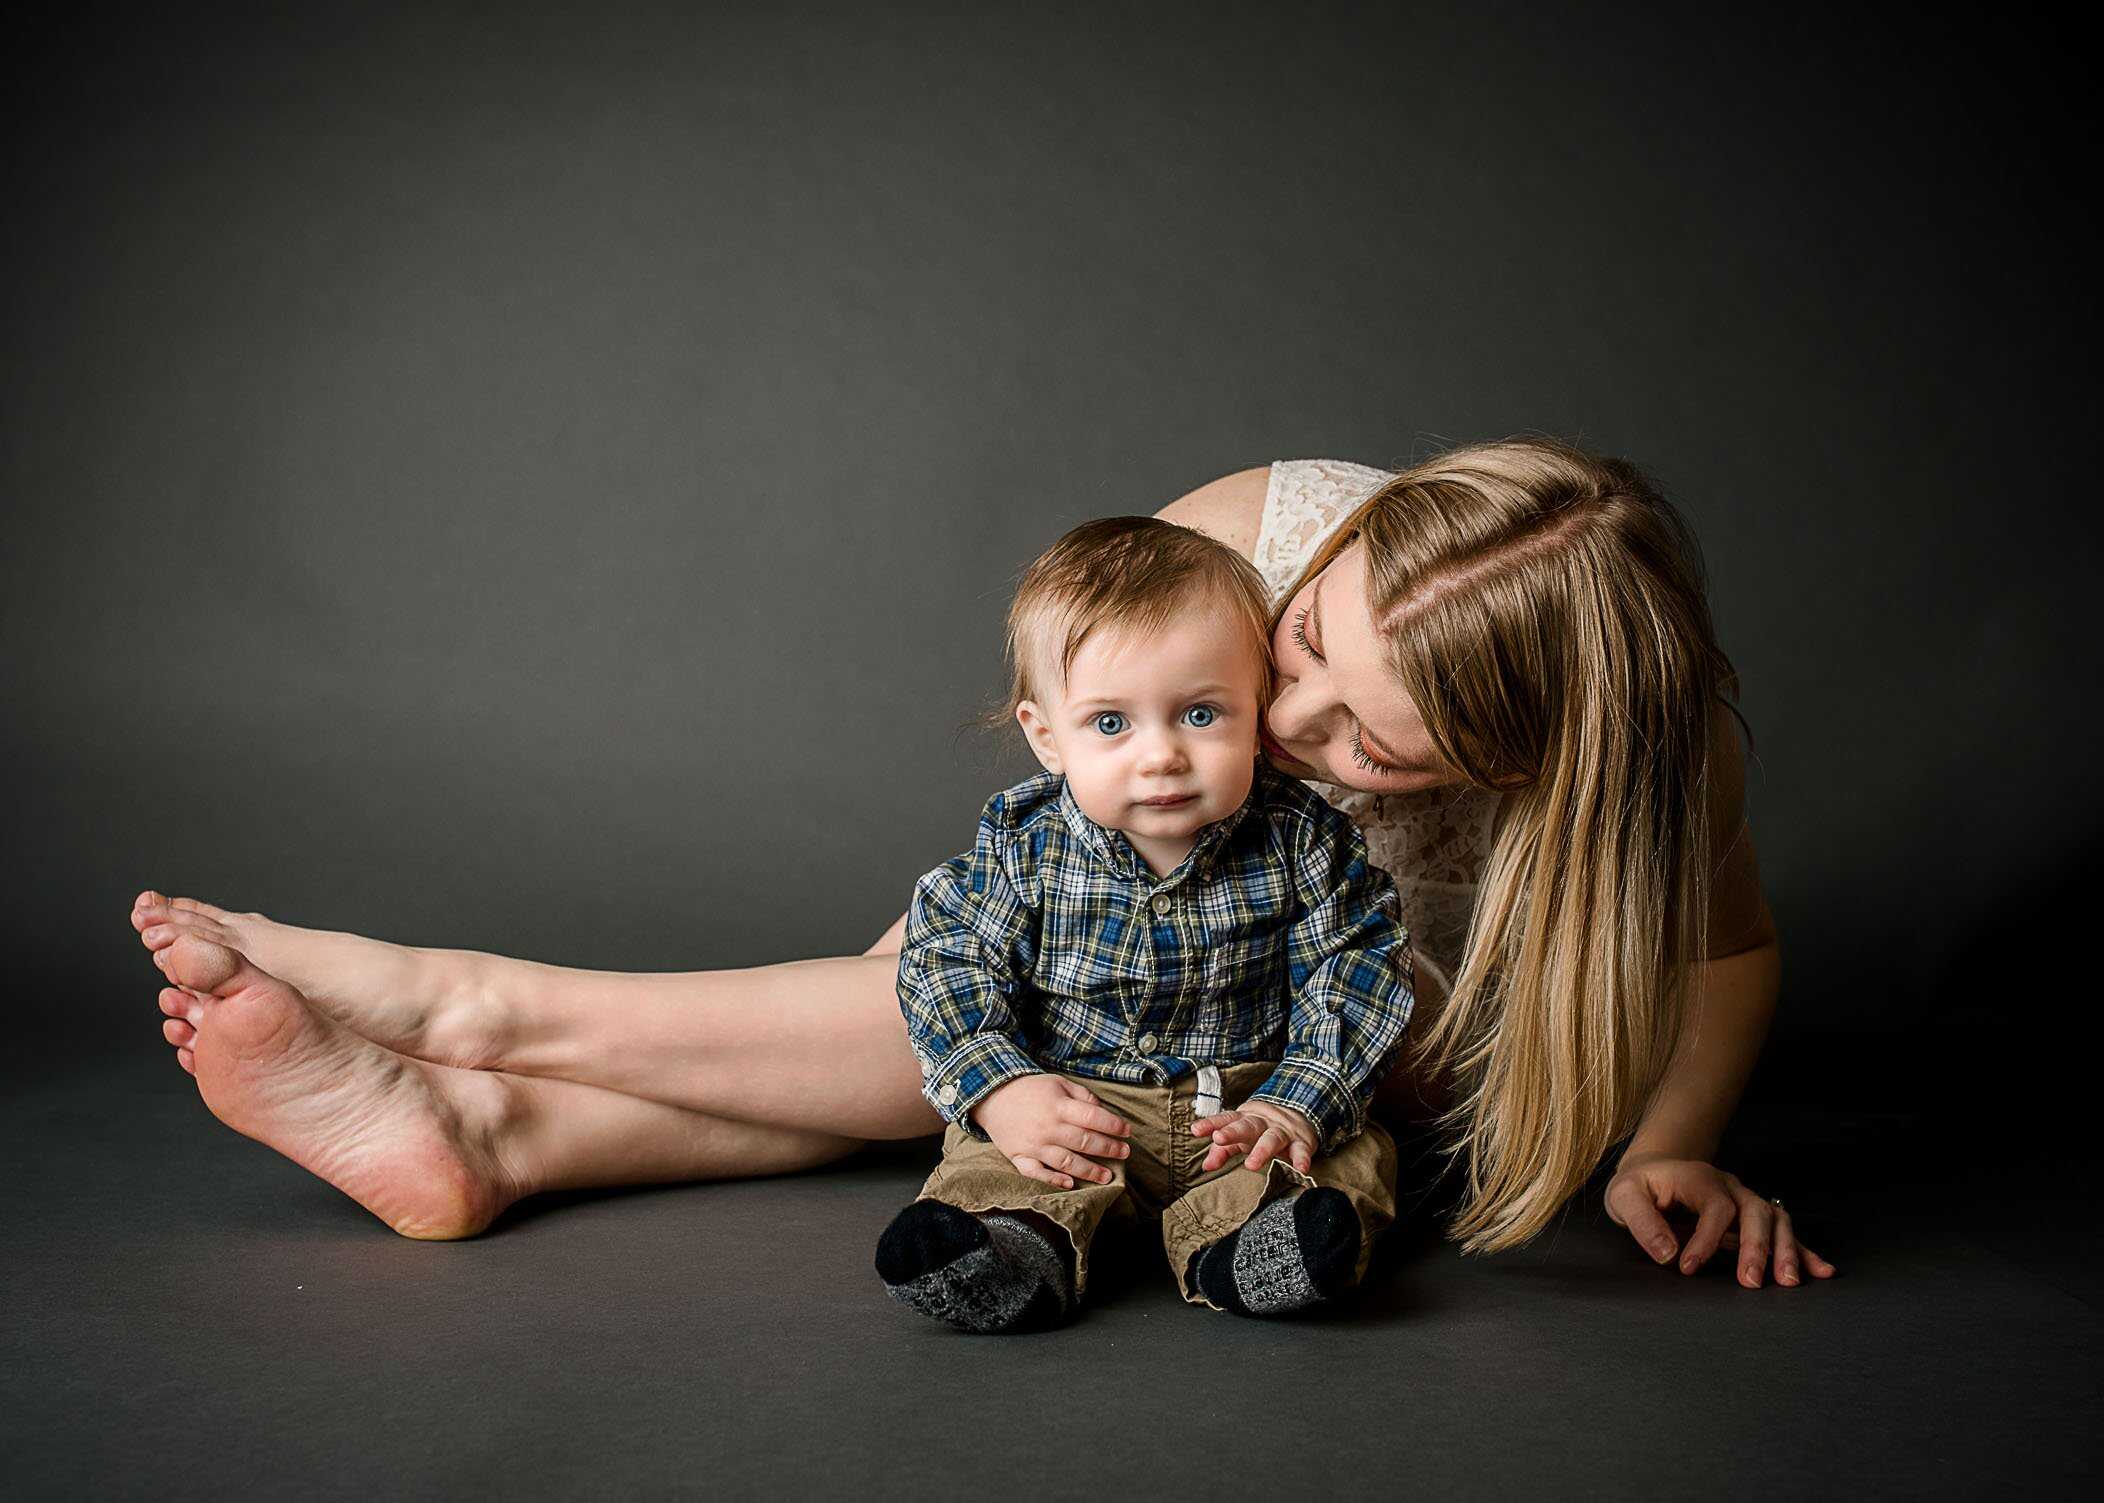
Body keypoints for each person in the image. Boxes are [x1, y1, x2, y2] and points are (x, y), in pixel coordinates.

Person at [131, 440, 1833, 1287]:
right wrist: (963, 990)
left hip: (1332, 1006)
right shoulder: (1262, 522)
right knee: (951, 1014)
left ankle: (476, 1029)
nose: (1285, 710)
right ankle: (491, 1109)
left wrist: (1663, 1145)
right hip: (1122, 913)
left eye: (1365, 737)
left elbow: (1724, 948)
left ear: (1524, 763)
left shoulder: (1662, 766)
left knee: (969, 1040)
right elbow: (1089, 752)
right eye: (1296, 644)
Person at [875, 517, 1411, 1332]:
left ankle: (1252, 1242)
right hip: (1076, 1105)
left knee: (1348, 1154)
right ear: (1048, 736)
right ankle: (1014, 1244)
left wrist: (1298, 1101)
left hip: (1243, 1107)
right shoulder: (1028, 844)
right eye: (1111, 723)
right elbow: (949, 957)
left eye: (1200, 715)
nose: (1159, 755)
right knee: (997, 1161)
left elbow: (1357, 964)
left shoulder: (1304, 838)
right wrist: (1002, 1087)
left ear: (1256, 710)